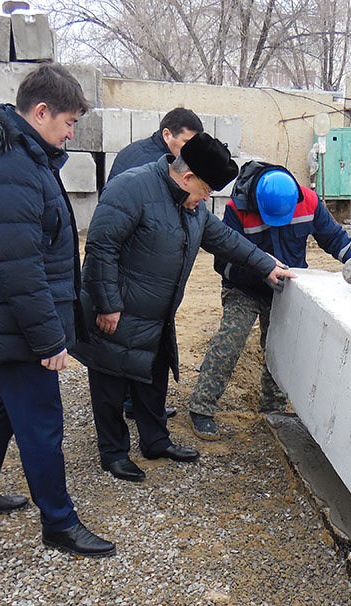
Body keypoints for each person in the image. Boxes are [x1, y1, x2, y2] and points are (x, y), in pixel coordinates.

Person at [0, 64, 115, 558]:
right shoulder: (11, 166)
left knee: (1, 404)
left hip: (5, 322)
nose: (70, 133)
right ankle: (59, 523)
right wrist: (48, 339)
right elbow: (18, 266)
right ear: (39, 112)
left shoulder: (23, 155)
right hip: (15, 326)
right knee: (42, 423)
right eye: (67, 123)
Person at [73, 133, 295, 482]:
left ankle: (155, 441)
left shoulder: (192, 207)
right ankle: (113, 453)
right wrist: (107, 303)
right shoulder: (131, 188)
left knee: (152, 379)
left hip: (157, 314)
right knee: (110, 384)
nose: (206, 199)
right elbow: (101, 247)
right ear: (187, 177)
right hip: (118, 311)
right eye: (205, 191)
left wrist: (265, 264)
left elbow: (224, 239)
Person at [187, 162, 351, 440]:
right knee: (230, 340)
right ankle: (202, 407)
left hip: (287, 288)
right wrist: (259, 274)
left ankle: (272, 411)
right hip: (245, 288)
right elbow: (224, 262)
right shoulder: (237, 208)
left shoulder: (308, 201)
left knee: (280, 348)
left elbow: (335, 238)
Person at [106, 106, 204, 420]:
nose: (191, 151)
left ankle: (138, 403)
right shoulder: (144, 164)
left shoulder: (164, 160)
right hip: (133, 262)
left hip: (145, 262)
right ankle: (131, 403)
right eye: (187, 143)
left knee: (142, 337)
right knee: (133, 334)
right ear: (167, 135)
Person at [107, 106, 203, 182]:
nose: (193, 149)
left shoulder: (135, 150)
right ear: (167, 135)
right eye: (187, 142)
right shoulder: (157, 166)